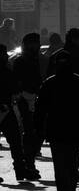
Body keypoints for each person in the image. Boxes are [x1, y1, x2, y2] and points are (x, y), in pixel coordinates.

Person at [34, 51, 79, 191]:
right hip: (73, 129)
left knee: (61, 164)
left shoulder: (50, 83)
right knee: (71, 162)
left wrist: (39, 129)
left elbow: (40, 110)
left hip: (57, 129)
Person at [10, 31, 43, 179]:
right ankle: (27, 165)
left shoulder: (35, 59)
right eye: (35, 43)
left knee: (33, 133)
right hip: (23, 100)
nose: (38, 45)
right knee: (28, 133)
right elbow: (16, 82)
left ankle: (28, 164)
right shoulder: (20, 60)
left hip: (32, 99)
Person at [0, 44, 29, 183]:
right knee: (15, 141)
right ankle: (20, 170)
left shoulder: (8, 71)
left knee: (16, 140)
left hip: (6, 108)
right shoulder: (7, 72)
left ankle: (20, 169)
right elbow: (16, 91)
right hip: (6, 109)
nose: (6, 56)